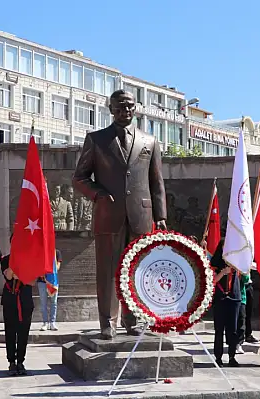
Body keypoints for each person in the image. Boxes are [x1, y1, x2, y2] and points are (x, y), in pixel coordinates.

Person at [72, 89, 167, 339]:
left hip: (141, 217)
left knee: (136, 270)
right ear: (111, 109)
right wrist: (99, 193)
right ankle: (107, 322)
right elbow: (79, 178)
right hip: (108, 215)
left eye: (130, 107)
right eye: (120, 107)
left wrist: (161, 215)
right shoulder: (97, 139)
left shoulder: (150, 141)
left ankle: (133, 319)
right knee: (107, 271)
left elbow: (156, 182)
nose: (126, 111)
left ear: (136, 109)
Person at [1, 237, 34, 376]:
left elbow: (31, 281)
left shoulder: (30, 260)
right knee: (10, 332)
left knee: (23, 334)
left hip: (25, 301)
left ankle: (21, 361)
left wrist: (19, 273)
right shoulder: (5, 259)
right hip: (10, 301)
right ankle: (12, 362)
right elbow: (9, 275)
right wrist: (20, 271)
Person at [210, 239, 240, 367]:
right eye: (224, 247)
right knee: (219, 330)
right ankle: (218, 357)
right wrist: (223, 272)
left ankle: (232, 356)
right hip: (220, 299)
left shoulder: (237, 261)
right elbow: (212, 280)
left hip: (234, 298)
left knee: (233, 330)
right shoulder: (215, 262)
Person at [38, 249, 62, 331]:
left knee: (53, 302)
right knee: (43, 302)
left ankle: (52, 322)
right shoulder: (41, 252)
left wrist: (52, 264)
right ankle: (45, 322)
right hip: (42, 281)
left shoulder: (56, 252)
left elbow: (58, 267)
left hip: (53, 281)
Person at [236, 271, 252, 353]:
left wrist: (245, 271)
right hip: (230, 297)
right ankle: (232, 343)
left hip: (241, 297)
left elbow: (246, 280)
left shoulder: (243, 267)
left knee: (242, 320)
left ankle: (239, 343)